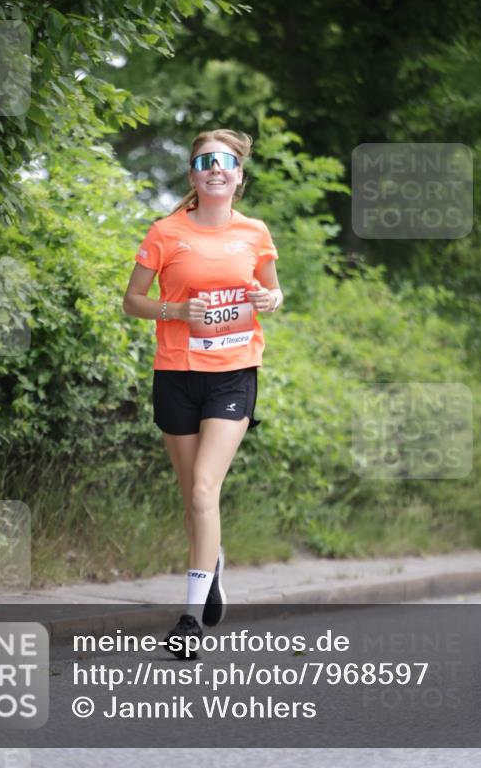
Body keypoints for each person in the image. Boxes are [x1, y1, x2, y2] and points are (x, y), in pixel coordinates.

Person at [122, 128, 282, 659]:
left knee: (203, 490)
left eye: (226, 162)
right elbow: (132, 301)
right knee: (191, 493)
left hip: (234, 373)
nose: (216, 168)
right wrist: (174, 310)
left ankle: (189, 619)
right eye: (205, 161)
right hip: (176, 373)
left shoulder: (254, 232)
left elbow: (272, 291)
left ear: (238, 177)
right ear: (193, 176)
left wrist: (270, 298)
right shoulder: (166, 232)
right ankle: (211, 566)